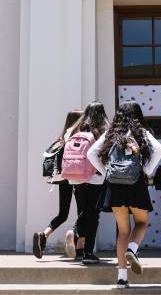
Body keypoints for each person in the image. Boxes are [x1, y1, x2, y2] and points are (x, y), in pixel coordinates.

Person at [87, 101, 161, 289]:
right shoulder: (142, 132)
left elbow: (91, 153)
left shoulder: (111, 133)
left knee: (123, 231)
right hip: (135, 183)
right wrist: (146, 170)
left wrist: (106, 172)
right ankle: (132, 249)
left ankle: (122, 277)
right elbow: (159, 149)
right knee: (141, 222)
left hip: (114, 185)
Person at [32, 110, 83, 259]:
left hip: (62, 178)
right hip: (77, 178)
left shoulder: (62, 139)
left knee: (62, 214)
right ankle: (75, 238)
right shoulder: (79, 138)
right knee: (83, 211)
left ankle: (44, 235)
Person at [63, 102, 110, 265]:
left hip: (76, 177)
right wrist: (104, 172)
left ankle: (77, 240)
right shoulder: (103, 130)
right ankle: (88, 253)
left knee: (83, 211)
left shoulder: (73, 130)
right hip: (95, 178)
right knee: (93, 214)